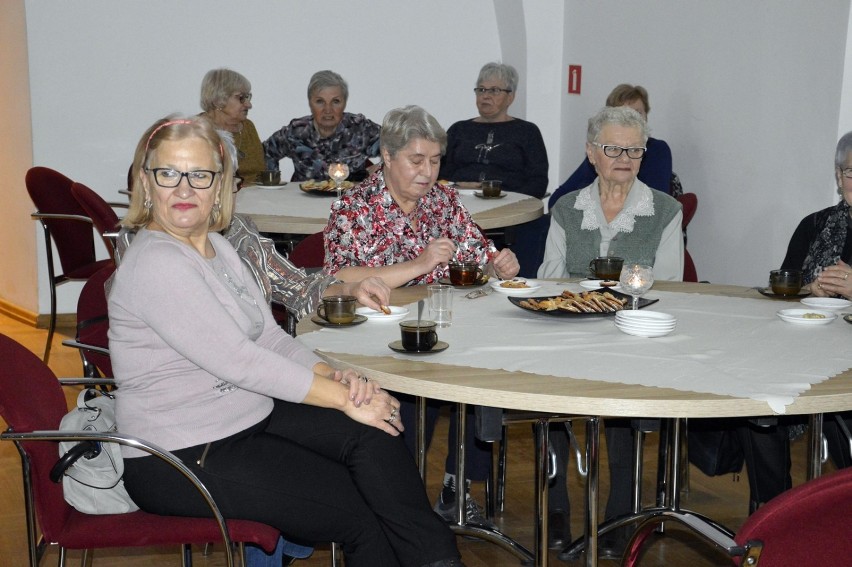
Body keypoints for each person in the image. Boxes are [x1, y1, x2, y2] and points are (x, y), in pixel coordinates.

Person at [109, 116, 464, 567]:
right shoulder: (157, 261)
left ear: (221, 186)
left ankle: (438, 559)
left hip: (243, 414)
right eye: (168, 174)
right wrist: (342, 398)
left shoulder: (218, 247)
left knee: (374, 430)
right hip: (181, 452)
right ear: (146, 181)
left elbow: (271, 338)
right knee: (361, 515)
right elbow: (240, 361)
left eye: (199, 175)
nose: (183, 189)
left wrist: (340, 378)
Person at [324, 105, 519, 525]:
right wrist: (419, 263)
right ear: (387, 156)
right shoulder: (353, 208)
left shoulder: (444, 200)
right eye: (417, 160)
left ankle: (456, 485)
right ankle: (400, 504)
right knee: (415, 392)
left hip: (439, 329)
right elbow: (340, 275)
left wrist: (498, 264)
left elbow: (475, 258)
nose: (428, 172)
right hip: (375, 340)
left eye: (435, 161)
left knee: (479, 375)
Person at [539, 105, 683, 558]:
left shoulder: (665, 210)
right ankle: (557, 510)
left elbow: (673, 286)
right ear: (591, 153)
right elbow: (550, 277)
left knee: (623, 408)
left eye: (634, 149)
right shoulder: (566, 208)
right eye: (612, 148)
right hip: (571, 334)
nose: (624, 157)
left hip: (632, 336)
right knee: (546, 401)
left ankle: (621, 519)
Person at [780, 130, 852, 471]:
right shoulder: (813, 225)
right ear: (839, 176)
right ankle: (771, 506)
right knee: (760, 394)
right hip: (809, 346)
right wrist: (811, 289)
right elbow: (782, 287)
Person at [439, 62, 549, 277]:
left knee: (537, 227)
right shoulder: (459, 129)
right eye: (481, 89)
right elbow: (438, 173)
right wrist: (458, 185)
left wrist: (500, 192)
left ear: (511, 97)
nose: (485, 96)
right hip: (461, 207)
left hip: (511, 214)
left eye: (494, 90)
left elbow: (538, 181)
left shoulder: (527, 132)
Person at [548, 84, 676, 210]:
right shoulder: (601, 151)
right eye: (624, 115)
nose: (632, 121)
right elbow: (556, 200)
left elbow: (657, 206)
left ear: (646, 116)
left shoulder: (657, 150)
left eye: (638, 113)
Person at [263, 70, 381, 182]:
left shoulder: (361, 129)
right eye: (320, 101)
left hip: (349, 200)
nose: (328, 110)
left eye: (335, 102)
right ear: (310, 102)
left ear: (344, 103)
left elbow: (396, 149)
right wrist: (273, 188)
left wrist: (378, 174)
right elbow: (266, 152)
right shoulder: (297, 132)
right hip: (304, 201)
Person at [199, 68, 265, 186]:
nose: (249, 105)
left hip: (255, 198)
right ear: (219, 100)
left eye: (247, 97)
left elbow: (260, 173)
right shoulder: (196, 130)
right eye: (241, 98)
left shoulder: (248, 127)